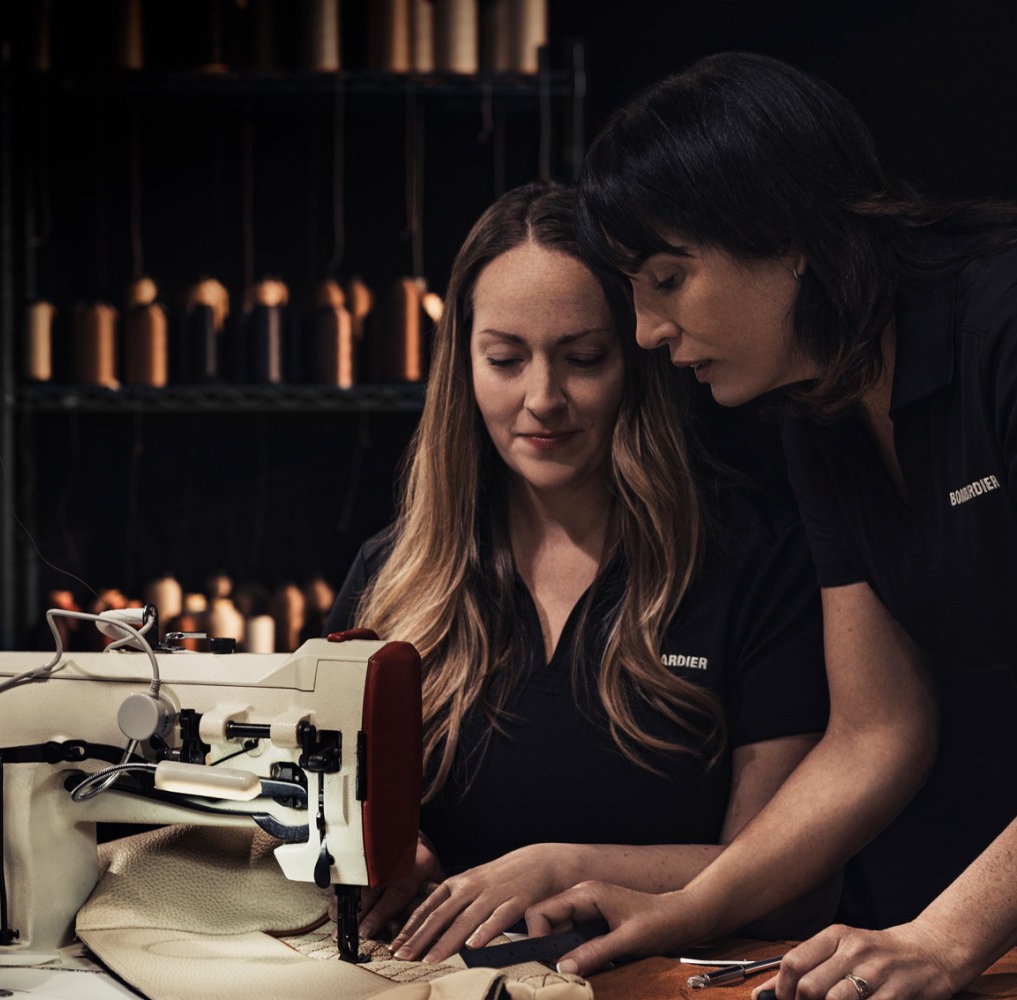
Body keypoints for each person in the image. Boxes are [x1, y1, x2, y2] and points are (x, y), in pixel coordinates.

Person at [521, 52, 1017, 1000]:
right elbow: (874, 733)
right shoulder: (821, 411)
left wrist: (941, 938)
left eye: (669, 278)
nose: (644, 332)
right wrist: (693, 906)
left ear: (786, 234)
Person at [323, 179, 837, 963]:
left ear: (640, 358)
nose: (542, 398)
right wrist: (377, 853)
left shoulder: (753, 562)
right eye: (504, 359)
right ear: (462, 368)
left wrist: (561, 866)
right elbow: (316, 820)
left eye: (583, 358)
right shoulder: (392, 576)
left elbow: (787, 880)